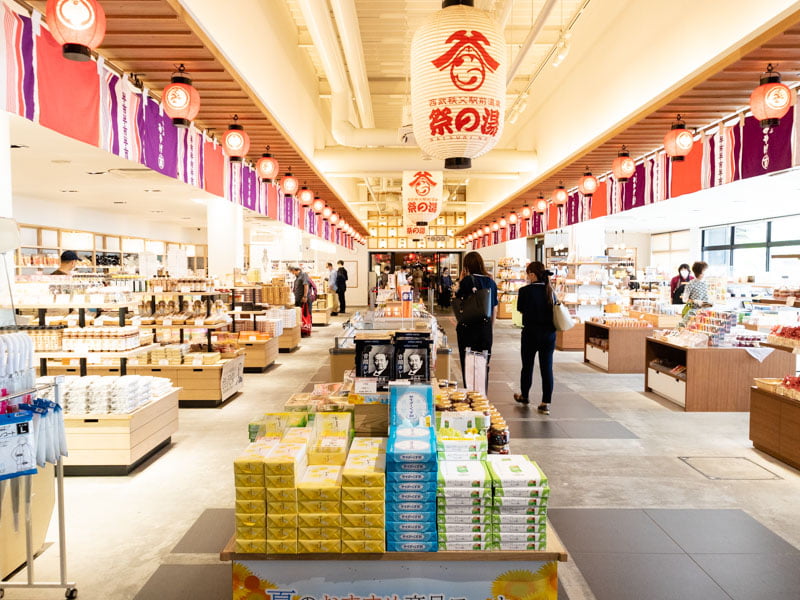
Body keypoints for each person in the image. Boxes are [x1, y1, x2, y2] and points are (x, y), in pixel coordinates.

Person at [513, 261, 557, 415]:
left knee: (527, 366)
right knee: (547, 368)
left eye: (528, 274)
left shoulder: (525, 291)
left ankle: (525, 395)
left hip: (530, 333)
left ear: (532, 274)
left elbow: (521, 309)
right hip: (549, 334)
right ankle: (546, 403)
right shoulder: (550, 290)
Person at [455, 251, 498, 388]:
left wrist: (461, 282)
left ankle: (470, 394)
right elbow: (494, 309)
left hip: (468, 328)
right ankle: (482, 396)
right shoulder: (491, 282)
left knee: (468, 363)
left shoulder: (467, 281)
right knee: (483, 363)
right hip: (485, 329)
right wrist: (490, 328)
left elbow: (458, 301)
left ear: (466, 266)